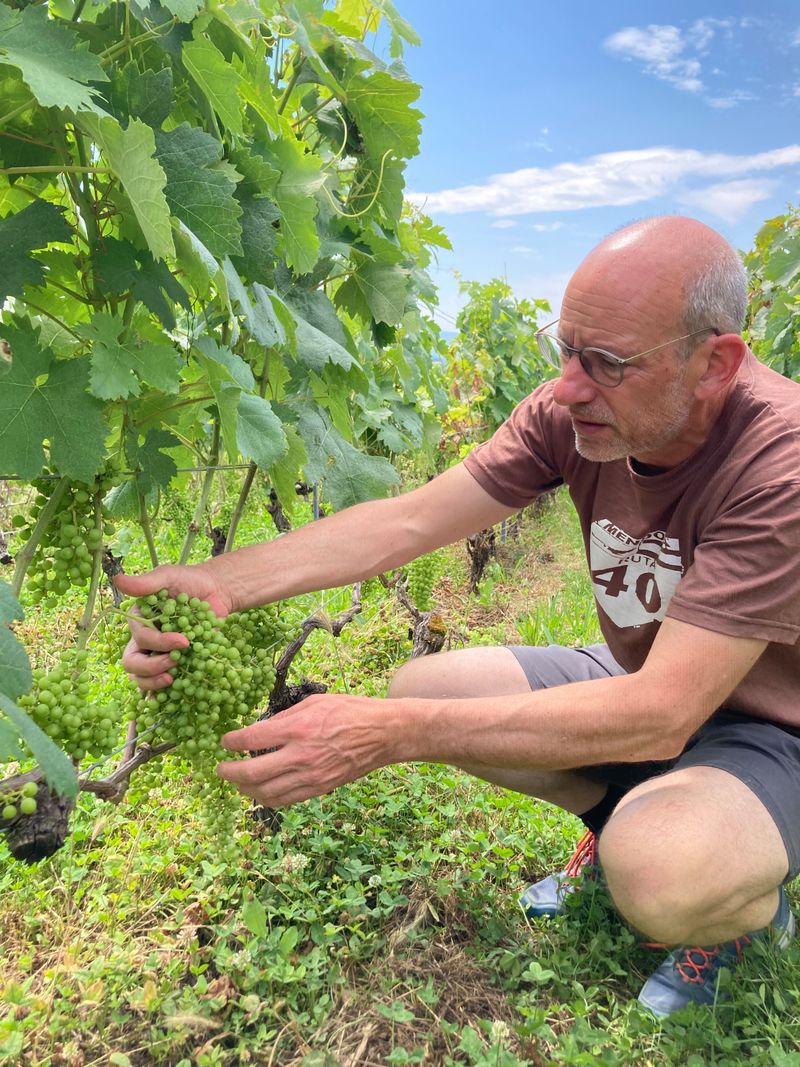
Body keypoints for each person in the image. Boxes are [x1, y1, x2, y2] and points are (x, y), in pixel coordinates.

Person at [117, 215, 800, 1019]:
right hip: (649, 673)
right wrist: (216, 583)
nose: (569, 387)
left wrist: (388, 734)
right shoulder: (574, 413)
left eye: (608, 363)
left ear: (715, 363)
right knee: (428, 685)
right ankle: (614, 814)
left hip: (774, 725)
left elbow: (662, 712)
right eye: (566, 350)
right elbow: (408, 520)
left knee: (657, 870)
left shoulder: (780, 463)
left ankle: (743, 915)